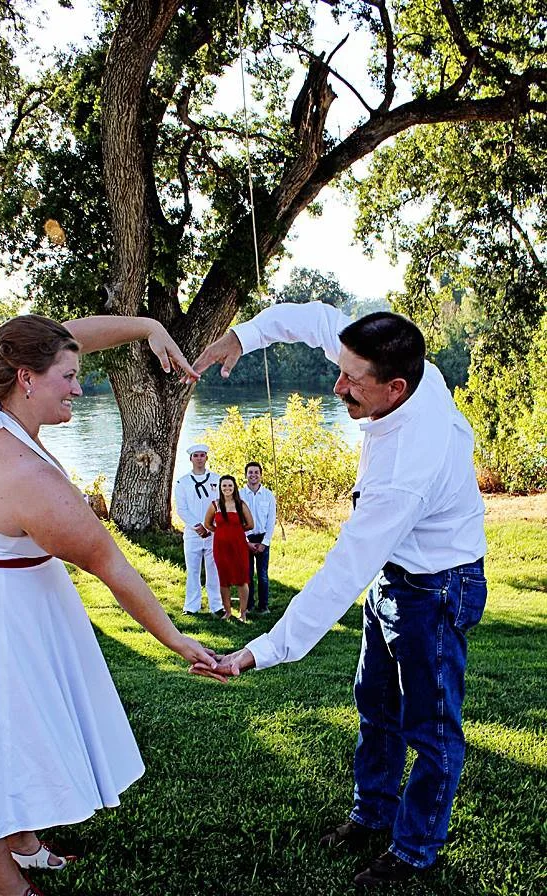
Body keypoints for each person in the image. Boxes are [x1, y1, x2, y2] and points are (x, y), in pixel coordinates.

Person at [0, 313, 222, 896]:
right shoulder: (26, 477)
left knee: (18, 730)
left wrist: (145, 327)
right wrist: (175, 638)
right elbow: (111, 565)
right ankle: (4, 882)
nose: (79, 386)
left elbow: (63, 336)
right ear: (27, 379)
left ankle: (24, 841)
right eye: (68, 377)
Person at [191, 302, 487, 888]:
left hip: (436, 584)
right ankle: (371, 814)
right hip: (396, 572)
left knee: (431, 729)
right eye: (341, 367)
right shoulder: (385, 366)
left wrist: (261, 650)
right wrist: (240, 338)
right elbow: (314, 317)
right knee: (375, 702)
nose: (337, 385)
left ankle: (415, 851)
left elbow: (339, 576)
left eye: (353, 381)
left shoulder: (405, 470)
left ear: (397, 388)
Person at [174, 444, 223, 616]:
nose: (200, 458)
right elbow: (182, 509)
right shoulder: (183, 482)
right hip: (192, 534)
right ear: (191, 459)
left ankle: (216, 605)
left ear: (207, 458)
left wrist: (211, 525)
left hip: (213, 533)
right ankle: (191, 606)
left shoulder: (216, 480)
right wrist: (197, 526)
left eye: (202, 455)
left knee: (213, 570)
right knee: (193, 571)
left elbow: (220, 504)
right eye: (196, 456)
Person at [204, 476, 254, 622]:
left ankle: (243, 613)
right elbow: (208, 524)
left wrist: (236, 531)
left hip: (238, 546)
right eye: (224, 486)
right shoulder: (215, 505)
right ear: (220, 487)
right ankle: (227, 611)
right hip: (220, 547)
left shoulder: (240, 505)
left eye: (230, 486)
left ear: (234, 487)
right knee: (224, 579)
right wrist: (220, 532)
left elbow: (250, 524)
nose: (227, 488)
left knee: (241, 579)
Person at [240, 461, 276, 615]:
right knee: (247, 574)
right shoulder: (239, 495)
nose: (253, 475)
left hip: (262, 539)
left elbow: (270, 521)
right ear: (246, 475)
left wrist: (264, 543)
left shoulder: (268, 495)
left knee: (262, 575)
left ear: (261, 475)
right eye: (250, 472)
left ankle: (264, 606)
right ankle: (248, 605)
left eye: (256, 472)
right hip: (245, 538)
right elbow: (237, 520)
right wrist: (246, 541)